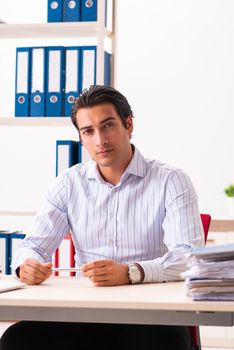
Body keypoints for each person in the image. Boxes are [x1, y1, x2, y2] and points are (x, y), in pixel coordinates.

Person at [0, 85, 204, 350]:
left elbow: (189, 257)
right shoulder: (68, 184)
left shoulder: (171, 181)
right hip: (85, 313)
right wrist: (26, 265)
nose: (100, 140)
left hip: (152, 316)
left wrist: (132, 273)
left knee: (159, 342)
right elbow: (33, 246)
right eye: (88, 131)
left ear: (128, 124)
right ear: (81, 138)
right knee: (17, 340)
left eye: (108, 126)